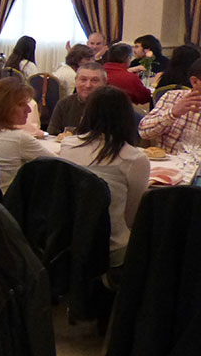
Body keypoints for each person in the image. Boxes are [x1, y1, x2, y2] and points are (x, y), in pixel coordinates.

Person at [59, 87, 149, 270]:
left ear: (88, 113)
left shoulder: (67, 146)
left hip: (67, 239)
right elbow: (132, 216)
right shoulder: (133, 158)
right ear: (127, 117)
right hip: (112, 246)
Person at [0, 76, 52, 193]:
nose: (29, 110)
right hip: (7, 201)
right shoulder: (19, 139)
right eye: (21, 105)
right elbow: (60, 166)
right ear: (3, 108)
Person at [138, 57, 201, 153]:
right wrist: (172, 113)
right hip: (166, 160)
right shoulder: (172, 97)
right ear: (194, 81)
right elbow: (144, 132)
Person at [46, 62, 107, 135]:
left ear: (104, 82)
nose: (88, 85)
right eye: (83, 80)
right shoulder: (64, 104)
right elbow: (52, 134)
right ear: (76, 80)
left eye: (94, 80)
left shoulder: (113, 106)